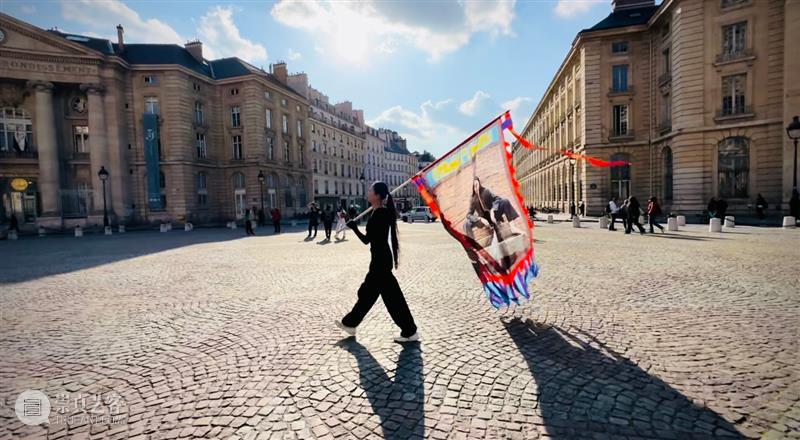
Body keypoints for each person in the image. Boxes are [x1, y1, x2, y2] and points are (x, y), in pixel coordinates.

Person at [336, 181, 419, 343]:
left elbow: (368, 240)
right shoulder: (379, 212)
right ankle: (351, 323)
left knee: (390, 298)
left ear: (377, 195)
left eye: (370, 191)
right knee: (370, 295)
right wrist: (355, 227)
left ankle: (410, 330)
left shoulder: (380, 214)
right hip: (380, 261)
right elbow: (371, 240)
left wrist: (354, 228)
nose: (368, 193)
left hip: (380, 263)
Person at [464, 177, 524, 243]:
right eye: (474, 186)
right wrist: (479, 219)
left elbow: (498, 198)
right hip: (484, 220)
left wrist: (493, 209)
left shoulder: (486, 191)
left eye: (477, 185)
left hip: (494, 216)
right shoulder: (473, 199)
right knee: (467, 224)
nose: (476, 188)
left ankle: (513, 228)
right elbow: (468, 214)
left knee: (505, 201)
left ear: (479, 184)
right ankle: (473, 244)